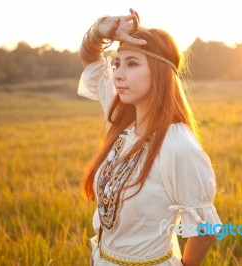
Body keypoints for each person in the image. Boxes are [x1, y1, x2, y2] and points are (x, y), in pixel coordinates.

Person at [77, 8, 222, 266]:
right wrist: (102, 28)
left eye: (132, 63)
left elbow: (206, 229)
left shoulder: (178, 145)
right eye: (118, 63)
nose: (119, 73)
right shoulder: (122, 120)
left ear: (160, 72)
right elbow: (91, 60)